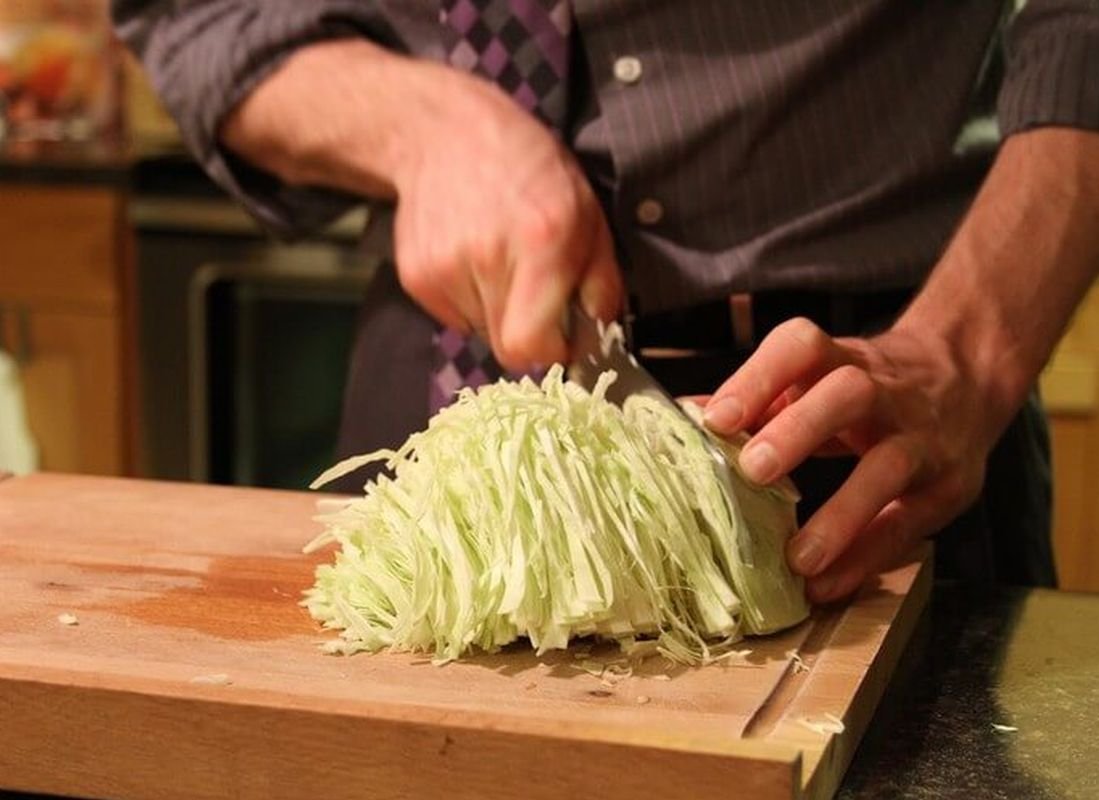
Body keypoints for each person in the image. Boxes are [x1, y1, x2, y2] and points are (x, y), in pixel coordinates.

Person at [113, 1, 1099, 602]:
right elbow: (189, 12)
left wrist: (962, 348)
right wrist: (421, 126)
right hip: (454, 396)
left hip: (864, 427)